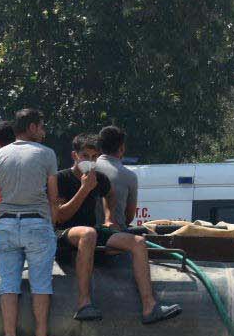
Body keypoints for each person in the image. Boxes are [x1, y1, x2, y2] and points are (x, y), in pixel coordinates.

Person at [0, 108, 67, 336]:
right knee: (41, 283)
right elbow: (53, 198)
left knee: (8, 285)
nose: (43, 132)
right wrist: (52, 225)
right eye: (41, 126)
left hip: (7, 225)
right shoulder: (47, 154)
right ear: (32, 127)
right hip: (37, 225)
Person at [92, 125, 182, 325]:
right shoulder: (128, 176)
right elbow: (129, 215)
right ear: (121, 149)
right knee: (139, 243)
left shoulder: (86, 169)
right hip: (109, 241)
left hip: (83, 237)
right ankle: (149, 305)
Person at [53, 134, 109, 322]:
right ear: (75, 156)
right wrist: (84, 189)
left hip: (91, 231)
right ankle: (83, 303)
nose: (90, 161)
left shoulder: (99, 178)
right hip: (62, 233)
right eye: (85, 156)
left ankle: (150, 306)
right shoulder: (61, 178)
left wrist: (110, 219)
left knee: (137, 242)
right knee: (88, 233)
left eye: (94, 157)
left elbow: (111, 194)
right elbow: (60, 216)